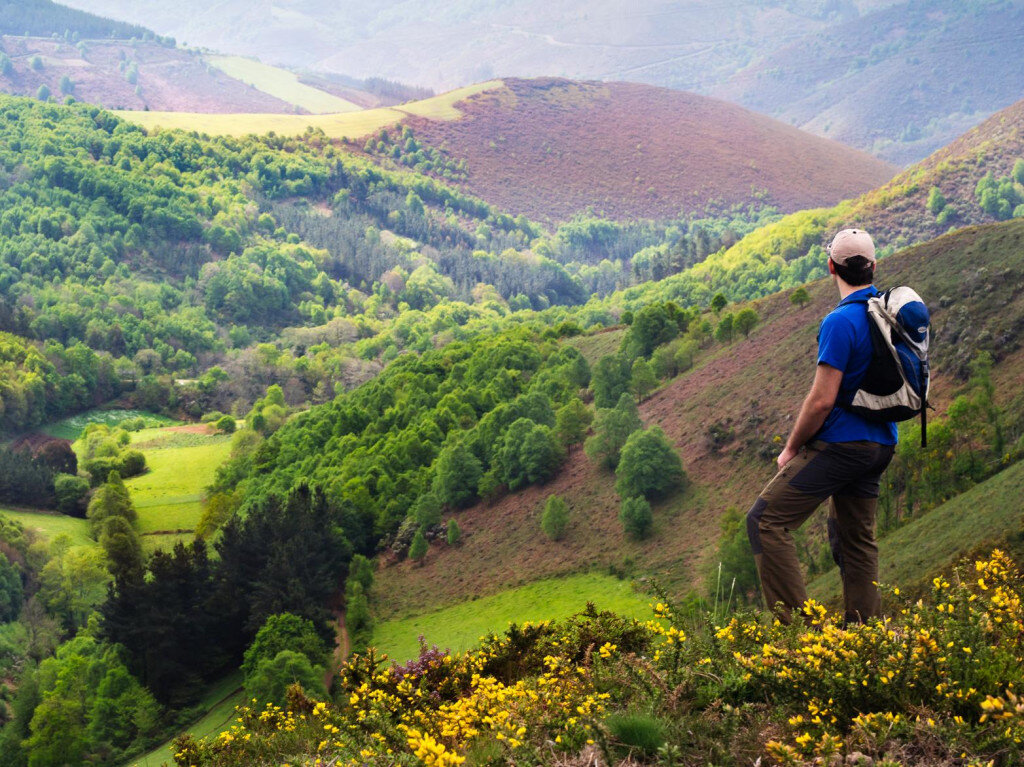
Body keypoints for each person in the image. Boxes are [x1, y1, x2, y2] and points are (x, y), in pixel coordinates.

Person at [746, 228, 896, 624]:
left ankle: (804, 636)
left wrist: (791, 447)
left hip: (843, 446)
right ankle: (866, 634)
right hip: (882, 444)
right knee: (856, 540)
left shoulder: (840, 321)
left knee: (765, 522)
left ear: (831, 266)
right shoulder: (889, 315)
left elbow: (821, 401)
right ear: (874, 266)